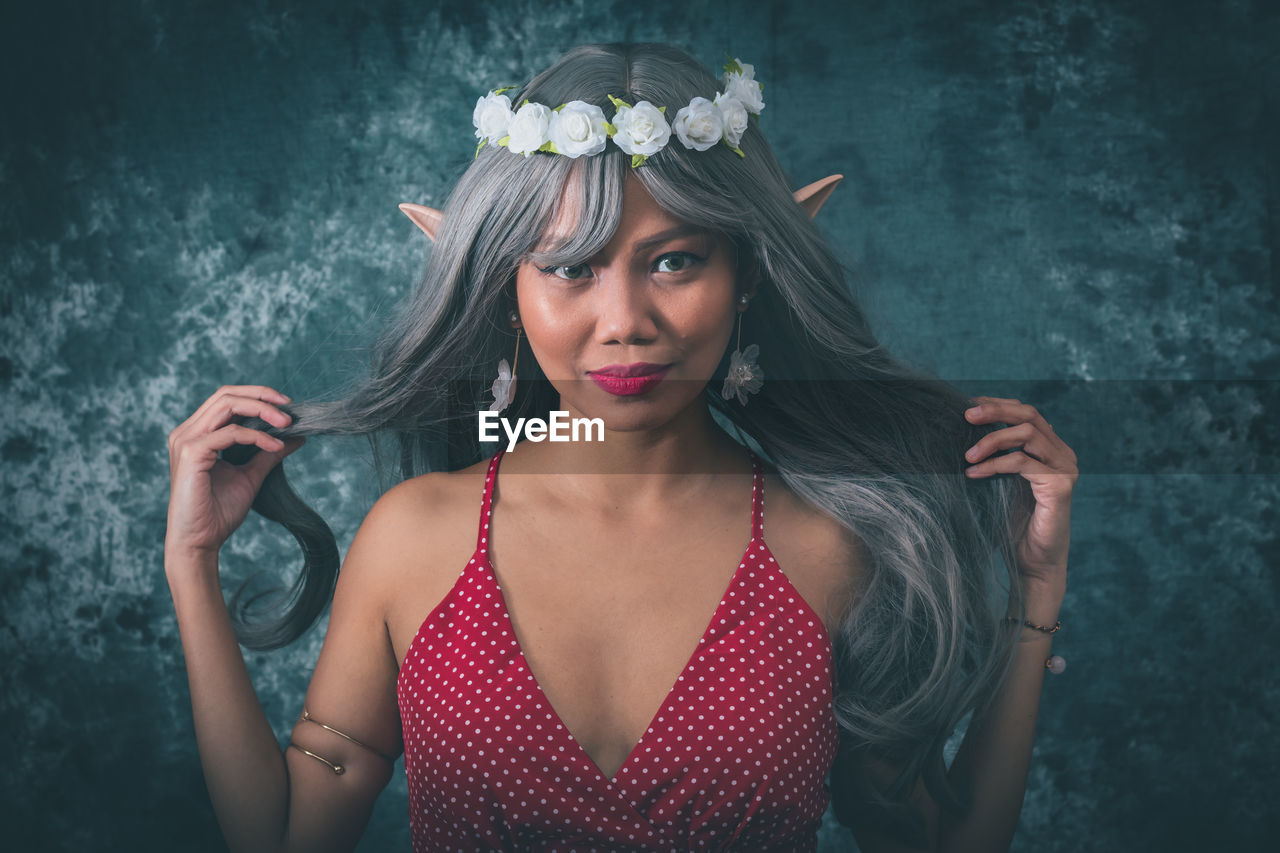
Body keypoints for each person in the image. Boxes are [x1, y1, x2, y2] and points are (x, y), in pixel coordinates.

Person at [165, 42, 1078, 852]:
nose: (625, 322)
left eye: (675, 260)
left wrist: (1034, 595)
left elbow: (947, 837)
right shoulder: (414, 540)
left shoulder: (829, 548)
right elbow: (284, 834)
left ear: (748, 276)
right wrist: (192, 564)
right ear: (503, 290)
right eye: (570, 268)